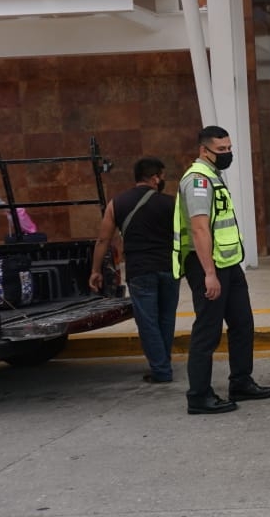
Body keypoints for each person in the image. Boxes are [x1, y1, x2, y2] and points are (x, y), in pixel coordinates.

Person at [173, 126, 270, 415]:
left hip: (229, 264)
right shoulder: (197, 181)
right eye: (221, 150)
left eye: (229, 149)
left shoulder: (214, 177)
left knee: (243, 324)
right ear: (204, 150)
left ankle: (241, 381)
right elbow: (199, 228)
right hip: (208, 265)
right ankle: (199, 395)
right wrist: (209, 273)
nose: (227, 154)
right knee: (208, 330)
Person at [89, 157, 179, 384]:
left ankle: (161, 369)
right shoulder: (171, 203)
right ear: (154, 177)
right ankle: (163, 363)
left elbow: (103, 240)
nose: (163, 181)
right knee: (166, 318)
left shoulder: (117, 203)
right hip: (169, 268)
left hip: (140, 270)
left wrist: (95, 270)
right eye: (162, 176)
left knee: (148, 321)